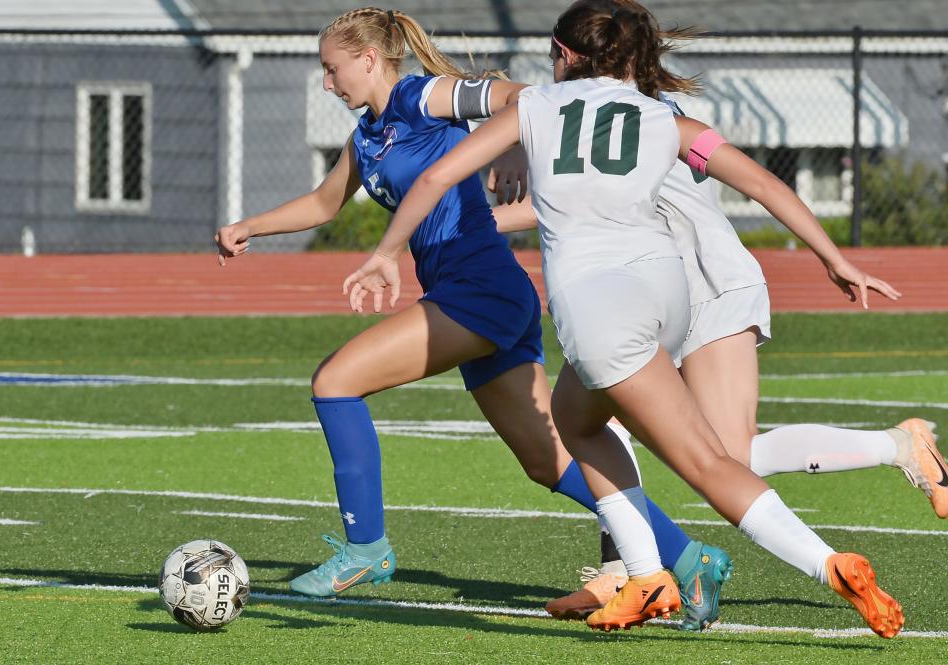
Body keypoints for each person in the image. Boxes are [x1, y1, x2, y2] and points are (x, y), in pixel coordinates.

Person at [343, 0, 905, 639]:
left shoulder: (533, 108)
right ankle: (645, 576)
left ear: (566, 55)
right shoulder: (667, 116)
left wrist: (387, 252)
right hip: (668, 297)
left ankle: (827, 563)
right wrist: (836, 260)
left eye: (553, 53)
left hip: (598, 306)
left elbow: (439, 176)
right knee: (575, 418)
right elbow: (766, 187)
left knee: (708, 462)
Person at [214, 6, 728, 628]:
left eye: (333, 68)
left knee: (335, 381)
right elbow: (325, 203)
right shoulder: (367, 137)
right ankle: (692, 556)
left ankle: (365, 548)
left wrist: (515, 144)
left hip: (479, 293)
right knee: (551, 463)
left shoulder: (420, 97)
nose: (328, 82)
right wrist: (250, 226)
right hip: (488, 297)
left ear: (369, 60)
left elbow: (528, 94)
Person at [489, 2, 944, 622]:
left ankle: (897, 447)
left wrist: (835, 258)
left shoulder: (647, 120)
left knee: (715, 453)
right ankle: (624, 572)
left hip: (706, 287)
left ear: (580, 55)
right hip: (657, 291)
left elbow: (757, 183)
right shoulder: (623, 115)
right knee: (620, 422)